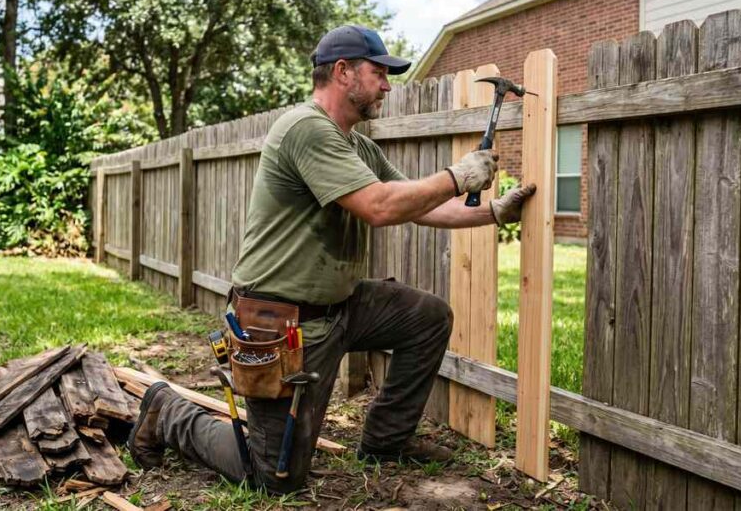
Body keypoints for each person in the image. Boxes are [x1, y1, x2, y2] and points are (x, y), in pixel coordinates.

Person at [127, 25, 536, 493]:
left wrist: (492, 212)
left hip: (339, 305)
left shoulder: (357, 145)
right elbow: (379, 207)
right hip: (281, 323)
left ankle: (386, 440)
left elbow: (414, 203)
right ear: (342, 72)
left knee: (427, 318)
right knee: (272, 476)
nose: (387, 85)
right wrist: (457, 175)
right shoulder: (305, 129)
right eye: (379, 72)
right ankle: (169, 413)